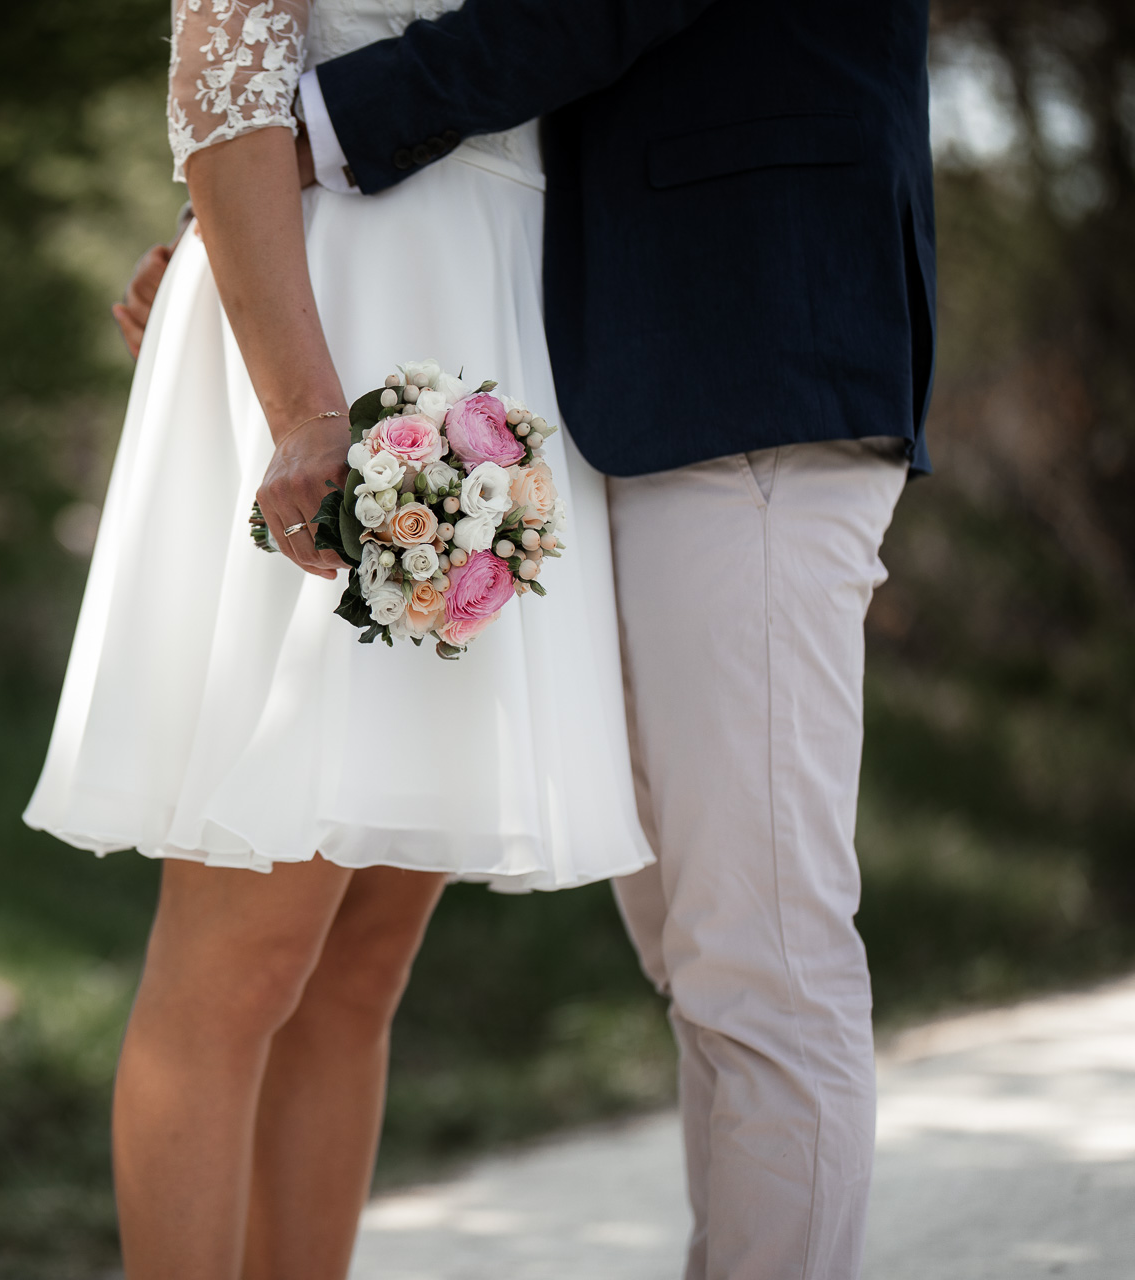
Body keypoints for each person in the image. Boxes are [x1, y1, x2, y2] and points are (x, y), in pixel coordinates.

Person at [116, 2, 936, 1278]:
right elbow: (231, 83)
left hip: (576, 350)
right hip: (402, 335)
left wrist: (289, 160)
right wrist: (253, 258)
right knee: (255, 950)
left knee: (399, 961)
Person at [25, 2, 657, 1275]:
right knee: (239, 964)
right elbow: (225, 86)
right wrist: (307, 408)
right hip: (333, 332)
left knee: (360, 969)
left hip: (497, 330)